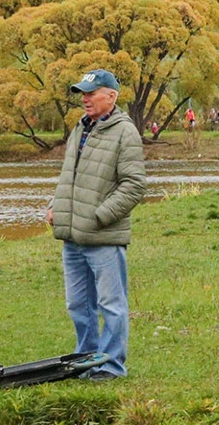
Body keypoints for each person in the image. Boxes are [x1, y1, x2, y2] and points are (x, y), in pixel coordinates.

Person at [50, 69, 147, 379]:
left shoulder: (125, 132)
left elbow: (134, 185)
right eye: (83, 92)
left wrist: (101, 215)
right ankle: (86, 360)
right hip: (73, 237)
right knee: (78, 305)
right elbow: (71, 176)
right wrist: (56, 206)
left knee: (111, 305)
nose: (85, 98)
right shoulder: (80, 128)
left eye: (91, 93)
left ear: (112, 96)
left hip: (103, 237)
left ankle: (111, 366)